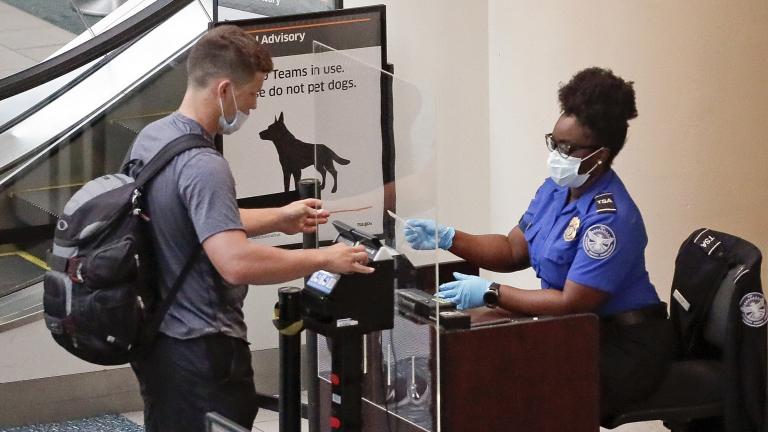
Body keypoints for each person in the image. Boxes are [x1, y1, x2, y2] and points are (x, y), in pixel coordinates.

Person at [127, 25, 374, 432]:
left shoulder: (154, 140)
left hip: (160, 344)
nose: (255, 107)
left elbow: (194, 222)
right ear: (224, 90)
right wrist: (324, 258)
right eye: (253, 94)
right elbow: (235, 262)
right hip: (204, 351)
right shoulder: (205, 165)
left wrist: (279, 217)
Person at [404, 67, 675, 420]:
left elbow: (571, 303)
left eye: (568, 147)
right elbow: (513, 249)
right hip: (577, 331)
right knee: (476, 334)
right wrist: (449, 238)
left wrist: (491, 291)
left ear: (601, 155)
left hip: (622, 346)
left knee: (509, 378)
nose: (557, 155)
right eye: (554, 142)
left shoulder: (609, 219)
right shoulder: (556, 189)